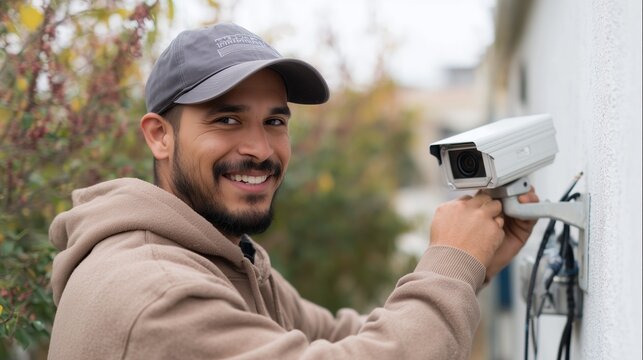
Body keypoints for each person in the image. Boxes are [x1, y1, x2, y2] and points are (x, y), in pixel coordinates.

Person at [48, 23, 538, 360]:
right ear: (159, 135)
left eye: (275, 121)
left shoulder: (221, 256)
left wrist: (472, 264)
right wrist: (449, 263)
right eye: (227, 119)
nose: (260, 148)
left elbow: (341, 338)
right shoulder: (157, 293)